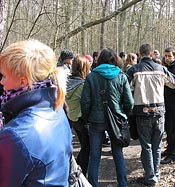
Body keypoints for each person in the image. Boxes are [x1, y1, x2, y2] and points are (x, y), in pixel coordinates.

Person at [0, 40, 72, 186]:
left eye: (4, 76)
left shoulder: (16, 134)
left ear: (22, 81)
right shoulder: (56, 107)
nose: (1, 81)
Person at [126, 43, 175, 186]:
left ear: (140, 54)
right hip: (159, 111)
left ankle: (151, 177)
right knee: (157, 145)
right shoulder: (161, 69)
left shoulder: (134, 70)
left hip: (142, 111)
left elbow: (126, 87)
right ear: (151, 54)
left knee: (147, 146)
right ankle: (155, 174)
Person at [81, 48, 134, 187]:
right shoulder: (121, 76)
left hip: (95, 120)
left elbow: (85, 101)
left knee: (95, 154)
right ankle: (122, 183)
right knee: (118, 153)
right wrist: (123, 114)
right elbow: (130, 102)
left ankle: (93, 184)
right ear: (115, 59)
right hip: (116, 120)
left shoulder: (91, 77)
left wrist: (87, 119)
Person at [65, 55, 91, 175]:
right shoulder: (82, 85)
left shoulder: (66, 83)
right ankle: (80, 175)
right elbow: (87, 102)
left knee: (84, 147)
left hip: (73, 119)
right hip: (82, 120)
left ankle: (75, 171)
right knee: (87, 149)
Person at [161, 47, 175, 164]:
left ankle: (172, 153)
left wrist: (168, 85)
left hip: (173, 104)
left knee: (172, 129)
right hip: (166, 103)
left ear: (174, 56)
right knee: (167, 129)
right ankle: (169, 148)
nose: (167, 58)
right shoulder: (166, 68)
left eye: (169, 56)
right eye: (165, 56)